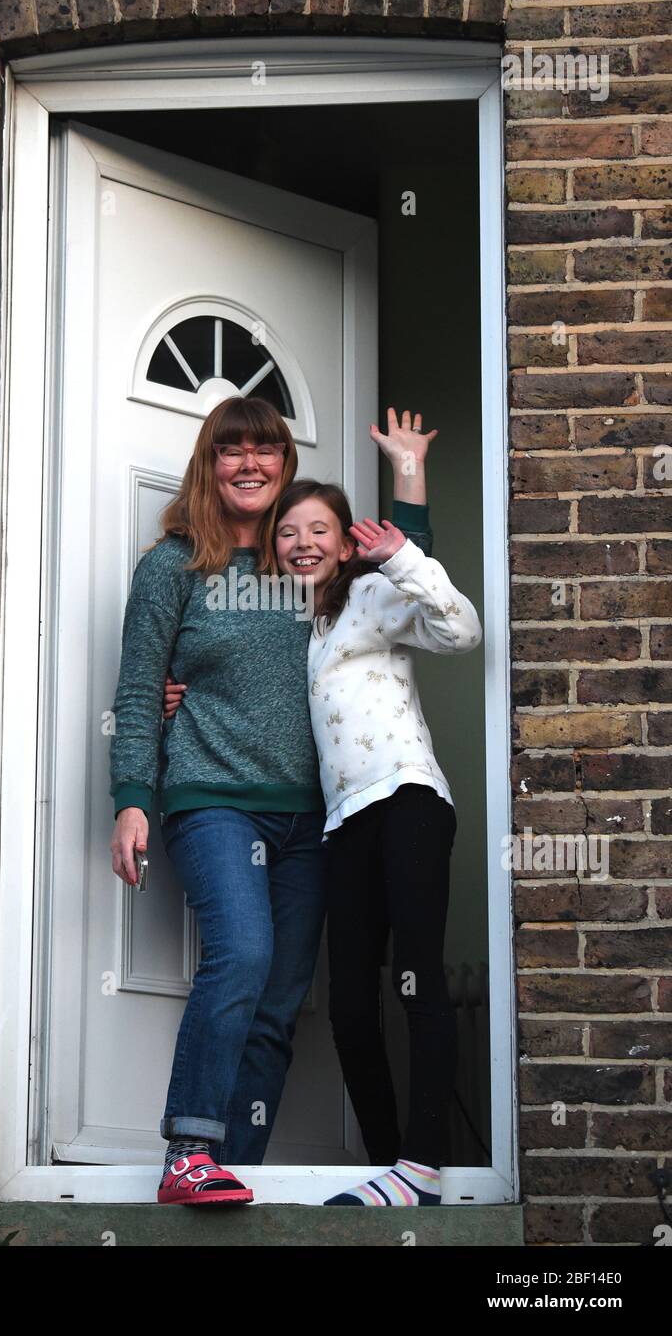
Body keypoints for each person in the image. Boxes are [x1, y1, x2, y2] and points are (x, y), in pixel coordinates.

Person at [163, 408, 483, 1205]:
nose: (302, 543)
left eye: (321, 532)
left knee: (415, 979)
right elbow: (250, 688)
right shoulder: (299, 621)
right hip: (340, 826)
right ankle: (389, 1169)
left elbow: (458, 625)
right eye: (288, 534)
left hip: (406, 799)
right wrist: (186, 700)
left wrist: (407, 502)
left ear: (346, 545)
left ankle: (423, 1165)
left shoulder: (373, 597)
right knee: (345, 1007)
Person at [109, 394, 329, 1205]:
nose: (249, 463)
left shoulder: (309, 563)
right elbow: (138, 690)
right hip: (211, 799)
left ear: (284, 465)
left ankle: (239, 1171)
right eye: (231, 448)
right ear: (210, 462)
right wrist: (133, 797)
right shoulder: (174, 564)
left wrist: (409, 479)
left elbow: (407, 581)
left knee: (280, 1005)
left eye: (265, 450)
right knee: (241, 954)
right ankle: (190, 1152)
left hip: (313, 814)